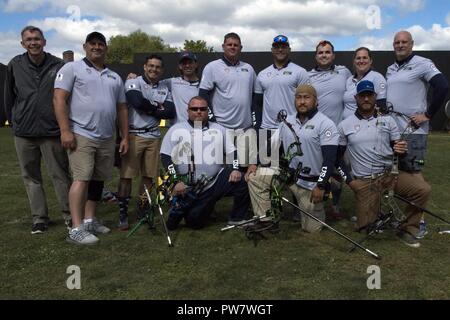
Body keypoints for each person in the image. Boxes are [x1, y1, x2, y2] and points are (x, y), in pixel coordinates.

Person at [53, 31, 129, 245]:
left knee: (98, 180)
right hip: (81, 133)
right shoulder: (71, 68)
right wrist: (65, 130)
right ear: (85, 46)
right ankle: (75, 228)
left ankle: (89, 220)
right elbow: (59, 99)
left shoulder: (114, 76)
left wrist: (124, 137)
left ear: (106, 48)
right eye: (92, 43)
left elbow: (122, 108)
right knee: (81, 179)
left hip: (106, 136)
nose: (97, 47)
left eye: (100, 44)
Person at [337, 80, 431, 248]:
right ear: (356, 98)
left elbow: (398, 151)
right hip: (365, 181)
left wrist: (401, 150)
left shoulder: (388, 121)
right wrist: (351, 182)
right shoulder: (345, 125)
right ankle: (374, 216)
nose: (366, 99)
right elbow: (337, 158)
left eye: (369, 95)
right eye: (362, 96)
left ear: (375, 97)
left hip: (390, 175)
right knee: (366, 229)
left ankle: (408, 230)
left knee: (422, 190)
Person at [4, 25, 72, 234]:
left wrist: (64, 127)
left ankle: (70, 215)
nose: (33, 42)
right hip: (24, 132)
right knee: (31, 177)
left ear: (44, 41)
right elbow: (8, 96)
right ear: (22, 43)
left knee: (60, 175)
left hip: (51, 131)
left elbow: (67, 97)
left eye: (37, 39)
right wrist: (13, 120)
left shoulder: (59, 65)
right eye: (29, 39)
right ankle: (40, 218)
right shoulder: (15, 64)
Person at [248, 84, 339, 233]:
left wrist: (321, 185)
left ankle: (318, 206)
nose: (302, 102)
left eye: (307, 97)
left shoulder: (326, 124)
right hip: (289, 176)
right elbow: (271, 146)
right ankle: (266, 221)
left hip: (311, 184)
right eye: (299, 97)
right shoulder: (287, 122)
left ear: (316, 102)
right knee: (255, 177)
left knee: (312, 230)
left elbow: (329, 160)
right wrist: (255, 163)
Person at [386, 31, 448, 237]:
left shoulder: (423, 63)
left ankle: (418, 222)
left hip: (413, 132)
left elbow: (442, 86)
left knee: (413, 175)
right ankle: (402, 217)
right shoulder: (391, 68)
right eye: (397, 42)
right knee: (397, 175)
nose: (400, 45)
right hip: (395, 132)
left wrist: (428, 114)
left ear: (412, 44)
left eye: (404, 42)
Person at [160, 96, 250, 230]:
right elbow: (166, 157)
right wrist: (175, 181)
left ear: (208, 111)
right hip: (190, 187)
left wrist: (236, 168)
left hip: (216, 181)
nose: (198, 112)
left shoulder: (219, 129)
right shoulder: (176, 130)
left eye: (202, 109)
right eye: (194, 109)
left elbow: (232, 152)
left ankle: (237, 218)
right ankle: (188, 207)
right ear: (188, 111)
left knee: (243, 180)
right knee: (195, 223)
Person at [246, 34, 310, 220]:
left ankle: (300, 208)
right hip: (269, 130)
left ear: (289, 49)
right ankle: (269, 209)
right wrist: (258, 126)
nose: (280, 49)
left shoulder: (300, 72)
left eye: (283, 46)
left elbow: (307, 101)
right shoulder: (263, 74)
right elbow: (257, 103)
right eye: (277, 46)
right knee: (267, 171)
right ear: (272, 50)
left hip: (292, 130)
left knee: (295, 169)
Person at [116, 54, 175, 230]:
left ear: (162, 70)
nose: (154, 69)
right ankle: (123, 213)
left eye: (157, 67)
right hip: (134, 135)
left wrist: (148, 106)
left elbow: (169, 112)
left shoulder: (164, 87)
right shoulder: (133, 82)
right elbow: (136, 101)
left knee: (149, 177)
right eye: (151, 66)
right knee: (127, 176)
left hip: (154, 136)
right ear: (144, 67)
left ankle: (143, 209)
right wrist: (157, 106)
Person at [308, 40, 352, 220]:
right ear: (316, 56)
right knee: (316, 169)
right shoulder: (307, 76)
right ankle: (311, 204)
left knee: (337, 171)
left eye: (327, 52)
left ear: (333, 55)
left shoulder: (344, 72)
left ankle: (335, 205)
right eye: (320, 52)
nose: (324, 55)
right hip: (315, 132)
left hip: (338, 133)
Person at [199, 32, 257, 166]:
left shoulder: (248, 69)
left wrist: (254, 120)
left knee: (244, 166)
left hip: (245, 128)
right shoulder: (212, 67)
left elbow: (255, 97)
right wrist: (212, 119)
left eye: (236, 45)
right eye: (229, 44)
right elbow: (203, 95)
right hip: (222, 127)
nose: (232, 47)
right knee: (223, 167)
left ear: (241, 48)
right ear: (223, 46)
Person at [342, 47, 386, 120]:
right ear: (354, 61)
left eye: (364, 58)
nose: (361, 61)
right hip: (346, 126)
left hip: (364, 126)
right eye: (358, 58)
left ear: (370, 61)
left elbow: (381, 108)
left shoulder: (377, 77)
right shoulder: (349, 80)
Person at [161, 51, 200, 125]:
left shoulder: (204, 85)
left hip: (197, 126)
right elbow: (152, 83)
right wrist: (134, 78)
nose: (187, 65)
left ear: (196, 64)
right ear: (180, 66)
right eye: (184, 63)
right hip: (177, 127)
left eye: (190, 62)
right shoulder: (172, 82)